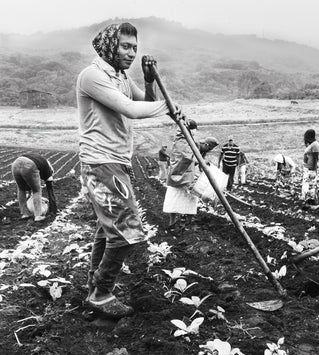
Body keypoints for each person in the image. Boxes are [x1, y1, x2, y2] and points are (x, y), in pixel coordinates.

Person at [77, 22, 184, 318]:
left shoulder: (121, 77)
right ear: (111, 45)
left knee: (107, 230)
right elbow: (131, 109)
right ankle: (102, 292)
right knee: (126, 230)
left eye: (135, 47)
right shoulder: (93, 76)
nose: (131, 53)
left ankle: (94, 289)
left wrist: (149, 82)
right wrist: (170, 106)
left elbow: (145, 102)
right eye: (125, 46)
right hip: (101, 162)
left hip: (115, 161)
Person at [163, 121, 218, 228]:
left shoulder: (191, 142)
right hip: (178, 175)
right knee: (174, 199)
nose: (209, 150)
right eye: (209, 148)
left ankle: (188, 222)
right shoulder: (184, 142)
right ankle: (172, 222)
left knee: (191, 200)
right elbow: (185, 155)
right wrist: (200, 161)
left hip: (188, 176)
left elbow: (195, 160)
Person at [11, 153, 58, 222]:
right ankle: (38, 216)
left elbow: (27, 185)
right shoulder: (48, 171)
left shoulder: (40, 160)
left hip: (15, 164)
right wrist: (54, 208)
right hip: (29, 165)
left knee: (21, 189)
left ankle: (25, 213)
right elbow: (50, 189)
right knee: (37, 191)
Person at [301, 129, 319, 208]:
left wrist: (313, 170)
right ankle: (308, 201)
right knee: (307, 185)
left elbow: (315, 158)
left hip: (311, 169)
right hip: (307, 168)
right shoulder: (311, 144)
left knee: (311, 186)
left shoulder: (315, 145)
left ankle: (311, 203)